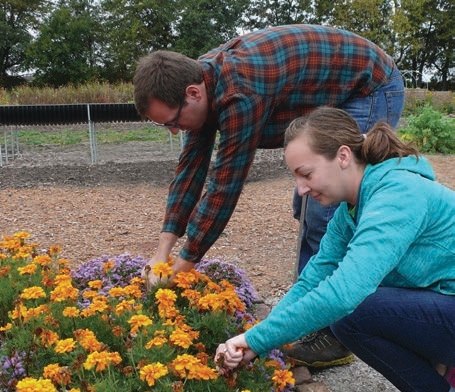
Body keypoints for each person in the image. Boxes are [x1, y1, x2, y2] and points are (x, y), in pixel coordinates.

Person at [133, 24, 405, 368]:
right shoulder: (198, 80)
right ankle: (307, 314)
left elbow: (224, 185)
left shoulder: (240, 91)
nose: (173, 130)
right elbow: (190, 171)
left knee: (328, 210)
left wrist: (182, 268)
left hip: (369, 85)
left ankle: (336, 334)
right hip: (326, 88)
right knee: (308, 207)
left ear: (193, 93)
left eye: (173, 121)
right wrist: (162, 255)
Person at [216, 107, 455, 392]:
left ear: (343, 156)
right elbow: (312, 279)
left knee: (355, 313)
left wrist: (258, 340)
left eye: (306, 174)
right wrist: (254, 337)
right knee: (352, 315)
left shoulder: (398, 193)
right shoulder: (349, 211)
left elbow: (345, 293)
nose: (301, 189)